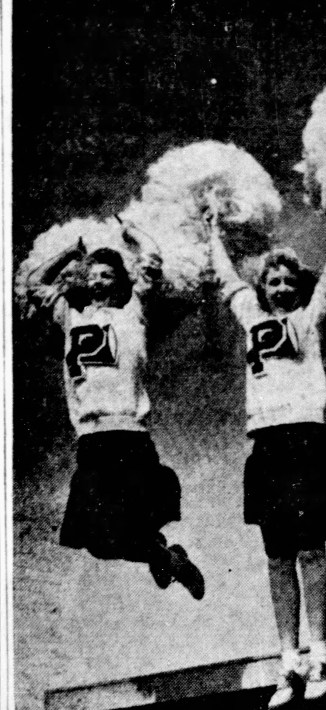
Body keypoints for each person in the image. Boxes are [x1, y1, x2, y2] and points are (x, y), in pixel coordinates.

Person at [206, 194, 326, 709]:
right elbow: (227, 279)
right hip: (267, 444)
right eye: (273, 281)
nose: (282, 288)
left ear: (300, 287)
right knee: (276, 556)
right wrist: (213, 232)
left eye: (290, 281)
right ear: (262, 288)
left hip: (306, 439)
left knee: (311, 548)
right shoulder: (250, 316)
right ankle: (287, 659)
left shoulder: (309, 318)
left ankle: (319, 654)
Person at [26, 220, 205, 597]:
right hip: (91, 440)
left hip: (129, 436)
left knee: (131, 526)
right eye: (92, 275)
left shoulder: (132, 312)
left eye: (107, 275)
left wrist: (133, 232)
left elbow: (152, 261)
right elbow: (35, 283)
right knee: (98, 543)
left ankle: (164, 556)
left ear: (120, 281)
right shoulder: (71, 317)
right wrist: (69, 253)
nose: (98, 281)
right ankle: (167, 558)